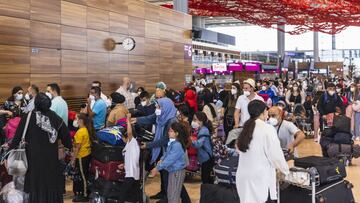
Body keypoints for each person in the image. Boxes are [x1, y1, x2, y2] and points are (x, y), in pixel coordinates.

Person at [9, 93, 72, 203]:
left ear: (36, 104)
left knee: (35, 187)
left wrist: (9, 152)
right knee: (50, 186)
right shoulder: (56, 118)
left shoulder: (27, 117)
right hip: (51, 163)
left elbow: (17, 138)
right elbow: (67, 139)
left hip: (33, 162)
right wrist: (65, 149)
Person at [236, 100, 289, 203]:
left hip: (243, 176)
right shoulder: (267, 129)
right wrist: (285, 170)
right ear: (264, 111)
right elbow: (275, 155)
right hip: (259, 177)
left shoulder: (245, 128)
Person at [134, 98, 177, 201]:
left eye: (158, 107)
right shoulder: (161, 116)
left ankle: (167, 198)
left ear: (165, 108)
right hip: (163, 151)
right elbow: (150, 118)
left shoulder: (171, 122)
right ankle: (163, 193)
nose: (156, 109)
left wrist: (149, 145)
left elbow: (165, 140)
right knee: (163, 173)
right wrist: (137, 120)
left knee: (167, 175)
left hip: (169, 152)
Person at [151, 122, 189, 203]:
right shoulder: (173, 143)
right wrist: (162, 159)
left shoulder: (177, 145)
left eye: (171, 131)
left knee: (173, 196)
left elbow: (169, 159)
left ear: (177, 133)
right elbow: (166, 154)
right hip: (173, 171)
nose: (168, 132)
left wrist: (157, 168)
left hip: (177, 172)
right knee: (171, 194)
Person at [117, 114, 142, 203]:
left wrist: (128, 120)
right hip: (133, 172)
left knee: (122, 193)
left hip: (131, 172)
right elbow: (131, 157)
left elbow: (130, 133)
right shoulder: (129, 145)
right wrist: (124, 164)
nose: (122, 139)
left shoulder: (132, 142)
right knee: (136, 193)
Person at [70, 113, 94, 202]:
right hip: (86, 155)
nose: (75, 120)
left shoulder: (80, 132)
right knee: (83, 174)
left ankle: (85, 195)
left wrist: (73, 159)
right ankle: (82, 192)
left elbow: (77, 147)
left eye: (76, 119)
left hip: (81, 156)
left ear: (81, 120)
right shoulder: (85, 129)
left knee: (83, 176)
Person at [191, 111, 214, 184]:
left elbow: (198, 144)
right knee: (207, 179)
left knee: (205, 180)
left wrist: (189, 140)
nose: (193, 121)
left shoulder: (204, 130)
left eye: (195, 119)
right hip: (206, 158)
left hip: (206, 159)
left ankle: (208, 194)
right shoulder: (201, 129)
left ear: (201, 121)